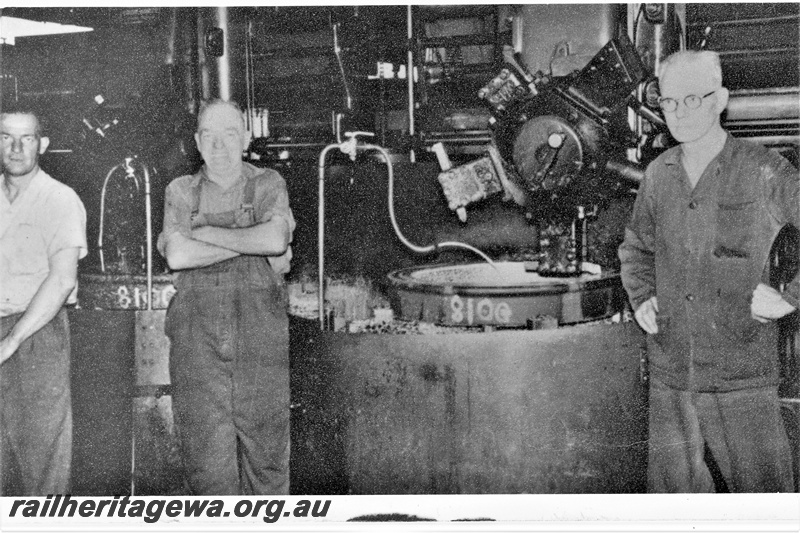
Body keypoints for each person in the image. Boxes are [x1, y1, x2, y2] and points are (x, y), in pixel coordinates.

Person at [619, 50, 799, 493]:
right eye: (668, 102)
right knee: (671, 509)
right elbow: (635, 248)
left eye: (691, 100)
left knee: (766, 505)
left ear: (721, 99)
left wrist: (791, 297)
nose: (678, 113)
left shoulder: (763, 169)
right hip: (671, 376)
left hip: (742, 378)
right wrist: (642, 297)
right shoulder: (658, 175)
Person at [159, 99, 295, 495]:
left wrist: (202, 234)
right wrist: (253, 241)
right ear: (197, 143)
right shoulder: (181, 190)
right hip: (196, 342)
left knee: (267, 460)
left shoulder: (268, 182)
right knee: (206, 468)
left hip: (259, 339)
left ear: (246, 139)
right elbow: (178, 254)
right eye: (209, 136)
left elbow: (275, 238)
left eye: (229, 134)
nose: (219, 146)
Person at [1, 109, 88, 495]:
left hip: (36, 334)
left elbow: (62, 279)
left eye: (27, 138)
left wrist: (12, 340)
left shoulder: (58, 198)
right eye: (6, 137)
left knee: (41, 464)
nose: (17, 148)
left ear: (43, 145)